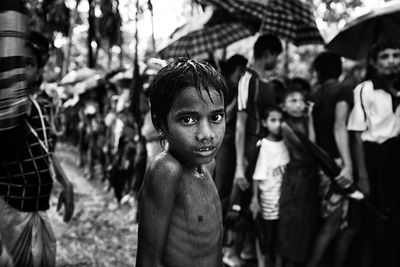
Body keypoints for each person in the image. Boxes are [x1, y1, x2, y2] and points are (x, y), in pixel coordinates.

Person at [136, 58, 227, 267]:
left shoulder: (208, 166)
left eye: (216, 117)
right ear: (160, 123)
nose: (206, 134)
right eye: (188, 119)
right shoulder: (167, 170)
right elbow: (149, 261)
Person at [0, 31, 74, 266]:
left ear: (38, 73)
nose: (20, 71)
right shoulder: (3, 111)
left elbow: (46, 151)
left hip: (38, 210)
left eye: (29, 64)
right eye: (14, 63)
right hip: (11, 210)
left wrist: (66, 182)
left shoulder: (41, 107)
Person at [347, 39, 400, 267]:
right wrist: (363, 176)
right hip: (373, 157)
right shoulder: (364, 89)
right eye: (385, 56)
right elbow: (356, 135)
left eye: (396, 55)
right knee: (371, 219)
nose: (391, 61)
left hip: (396, 155)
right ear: (374, 62)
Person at [230, 34, 283, 262]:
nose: (277, 61)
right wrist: (239, 166)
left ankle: (249, 251)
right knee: (238, 199)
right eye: (276, 56)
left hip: (265, 150)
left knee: (257, 202)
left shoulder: (269, 83)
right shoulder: (247, 80)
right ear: (268, 54)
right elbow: (240, 125)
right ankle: (231, 251)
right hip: (250, 149)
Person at [307, 51, 355, 267]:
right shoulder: (343, 90)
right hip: (337, 164)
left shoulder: (315, 95)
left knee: (329, 222)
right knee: (333, 225)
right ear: (338, 68)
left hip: (321, 164)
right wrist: (348, 164)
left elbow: (312, 137)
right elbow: (340, 125)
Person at [278, 87, 320, 267]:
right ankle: (288, 258)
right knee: (293, 218)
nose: (298, 104)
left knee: (306, 218)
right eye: (292, 101)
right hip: (296, 176)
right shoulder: (285, 126)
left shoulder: (304, 120)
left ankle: (300, 258)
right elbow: (311, 148)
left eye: (301, 100)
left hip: (310, 175)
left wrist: (309, 119)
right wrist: (310, 120)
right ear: (284, 107)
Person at [216, 55, 248, 267]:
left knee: (231, 195)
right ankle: (221, 245)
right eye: (242, 72)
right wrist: (237, 102)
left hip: (230, 146)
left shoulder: (235, 87)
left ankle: (227, 244)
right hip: (224, 146)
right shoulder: (222, 87)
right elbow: (218, 116)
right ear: (237, 69)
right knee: (222, 194)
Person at [248, 106, 289, 267]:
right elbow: (257, 176)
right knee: (265, 235)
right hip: (268, 200)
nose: (278, 124)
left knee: (280, 237)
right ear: (265, 122)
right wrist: (254, 199)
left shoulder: (287, 142)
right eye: (273, 120)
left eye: (280, 120)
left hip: (284, 199)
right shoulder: (263, 145)